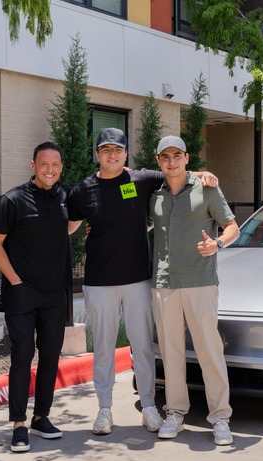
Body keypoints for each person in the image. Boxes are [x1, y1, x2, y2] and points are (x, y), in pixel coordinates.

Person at [67, 128, 218, 436]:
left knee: (143, 347)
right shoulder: (83, 190)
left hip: (138, 280)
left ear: (126, 154)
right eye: (106, 150)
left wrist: (204, 174)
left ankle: (149, 406)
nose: (112, 155)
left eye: (117, 150)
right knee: (104, 349)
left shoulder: (142, 179)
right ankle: (104, 410)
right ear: (97, 154)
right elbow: (68, 226)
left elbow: (176, 172)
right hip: (99, 282)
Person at [149, 135, 239, 446]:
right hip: (164, 283)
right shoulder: (154, 194)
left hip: (201, 282)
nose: (171, 161)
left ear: (187, 158)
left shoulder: (208, 189)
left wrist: (217, 244)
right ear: (158, 161)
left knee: (209, 352)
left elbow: (232, 227)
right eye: (165, 157)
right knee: (171, 353)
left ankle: (221, 417)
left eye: (177, 155)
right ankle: (175, 413)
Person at [0, 141, 72, 453]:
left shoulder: (65, 197)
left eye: (55, 164)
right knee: (22, 355)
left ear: (61, 167)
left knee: (50, 356)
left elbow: (69, 226)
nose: (50, 169)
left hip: (55, 293)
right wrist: (16, 281)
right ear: (33, 166)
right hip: (22, 293)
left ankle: (41, 417)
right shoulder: (13, 200)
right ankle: (18, 424)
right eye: (44, 164)